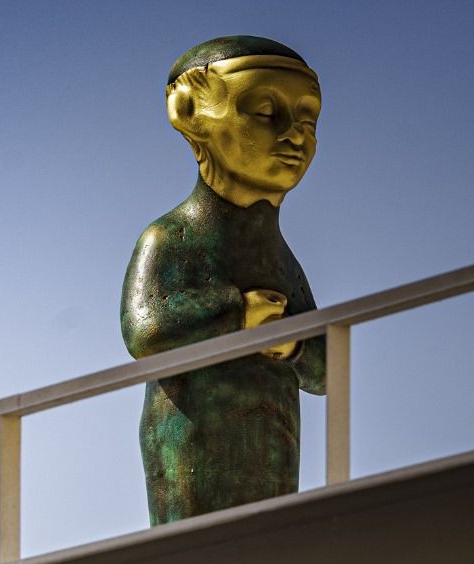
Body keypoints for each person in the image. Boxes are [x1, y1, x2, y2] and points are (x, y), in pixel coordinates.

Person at [120, 35, 327, 525]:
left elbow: (325, 370)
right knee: (195, 561)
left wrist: (294, 345)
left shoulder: (285, 261)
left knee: (268, 561)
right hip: (192, 441)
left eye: (308, 119)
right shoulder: (170, 237)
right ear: (190, 110)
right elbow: (145, 331)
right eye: (265, 111)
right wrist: (239, 313)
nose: (294, 134)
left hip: (274, 443)